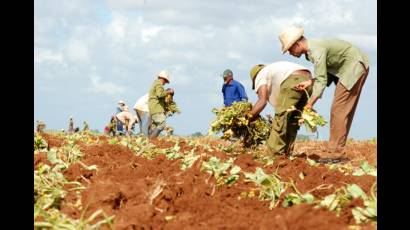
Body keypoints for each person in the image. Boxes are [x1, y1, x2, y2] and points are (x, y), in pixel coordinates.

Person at [279, 26, 370, 160]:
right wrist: (310, 82)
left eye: (290, 49)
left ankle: (336, 153)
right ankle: (336, 150)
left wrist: (309, 105)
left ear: (297, 44)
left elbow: (322, 80)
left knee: (338, 110)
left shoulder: (315, 50)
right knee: (341, 110)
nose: (290, 53)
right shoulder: (312, 52)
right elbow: (325, 73)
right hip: (350, 67)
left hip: (353, 66)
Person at [247, 62, 313, 158]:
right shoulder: (273, 70)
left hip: (294, 80)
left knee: (281, 119)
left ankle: (274, 156)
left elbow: (262, 100)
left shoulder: (260, 75)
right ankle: (287, 154)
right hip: (309, 81)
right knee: (293, 120)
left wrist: (248, 117)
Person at [148, 70, 174, 137]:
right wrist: (168, 92)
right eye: (165, 81)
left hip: (153, 108)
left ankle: (147, 142)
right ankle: (151, 141)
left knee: (154, 126)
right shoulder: (159, 84)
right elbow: (160, 95)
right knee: (162, 124)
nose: (165, 83)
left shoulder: (155, 83)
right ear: (163, 79)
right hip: (157, 108)